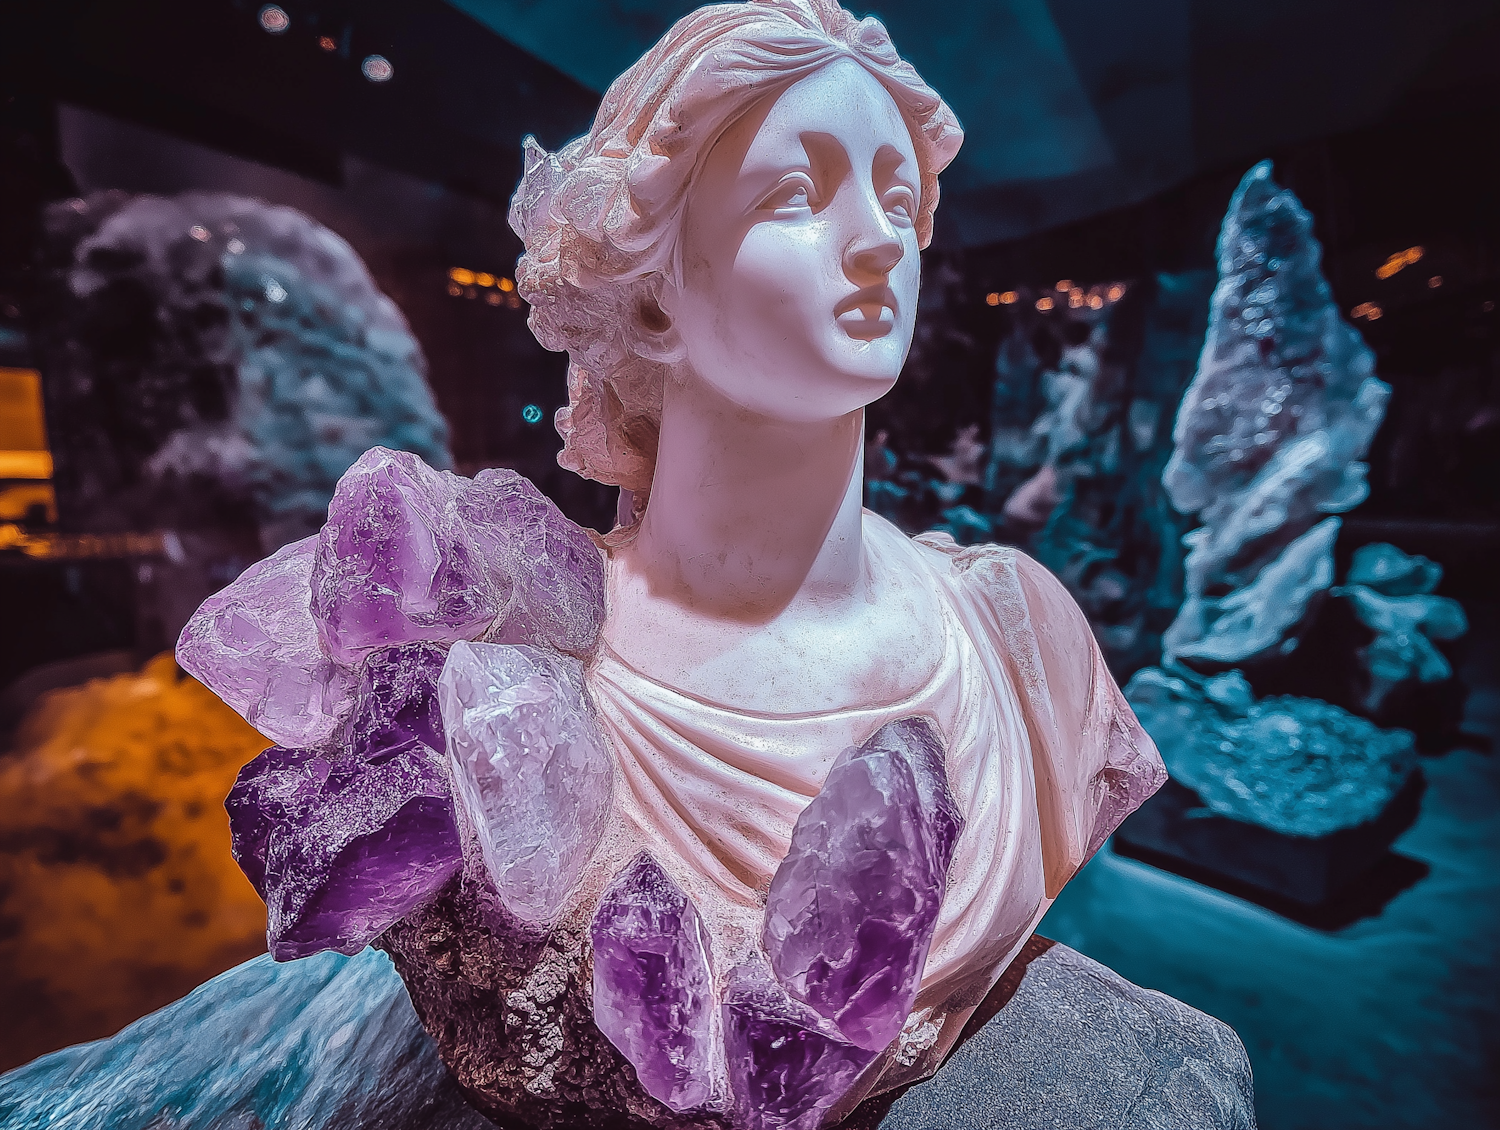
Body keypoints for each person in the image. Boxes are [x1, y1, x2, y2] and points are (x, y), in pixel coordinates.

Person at [509, 0, 1166, 1099]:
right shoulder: (537, 684)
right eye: (798, 195)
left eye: (899, 200)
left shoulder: (1022, 639)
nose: (879, 242)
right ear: (654, 300)